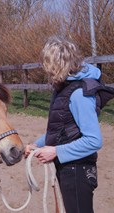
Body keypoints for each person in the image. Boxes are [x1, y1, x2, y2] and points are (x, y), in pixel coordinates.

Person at [25, 36, 114, 213]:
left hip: (78, 170)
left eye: (48, 64)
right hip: (68, 167)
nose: (46, 70)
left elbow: (94, 140)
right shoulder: (63, 89)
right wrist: (37, 144)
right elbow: (60, 131)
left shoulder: (79, 94)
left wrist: (56, 151)